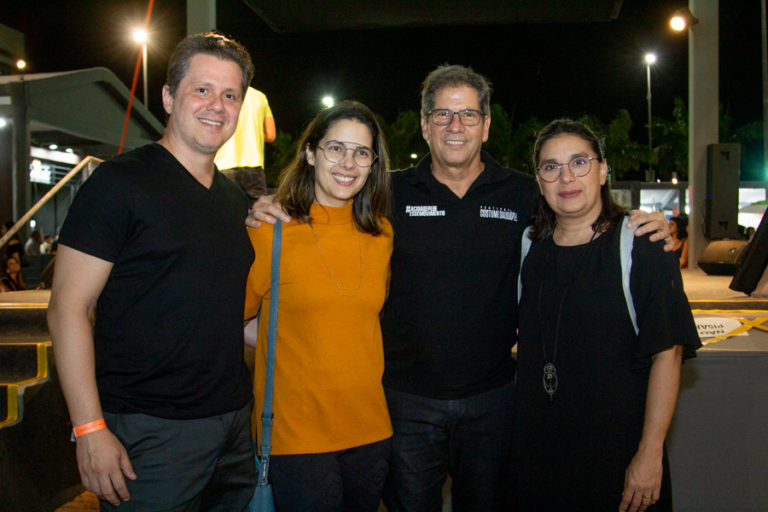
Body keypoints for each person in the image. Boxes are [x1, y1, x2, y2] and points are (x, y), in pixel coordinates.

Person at [247, 65, 672, 511]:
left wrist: (640, 220)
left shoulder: (523, 194)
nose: (455, 126)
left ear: (486, 125)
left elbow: (581, 214)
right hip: (404, 405)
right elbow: (323, 214)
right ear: (426, 124)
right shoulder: (386, 195)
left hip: (494, 403)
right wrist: (270, 204)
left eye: (468, 115)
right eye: (443, 115)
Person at [47, 32, 257, 510]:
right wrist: (89, 428)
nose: (216, 106)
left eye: (230, 95)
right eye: (201, 90)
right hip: (151, 435)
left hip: (233, 429)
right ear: (168, 97)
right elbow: (67, 310)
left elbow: (227, 316)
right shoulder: (120, 183)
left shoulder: (234, 201)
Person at [516, 119, 700, 512]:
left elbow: (668, 353)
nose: (566, 176)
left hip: (617, 458)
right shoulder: (530, 247)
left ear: (603, 170)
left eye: (579, 162)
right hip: (541, 457)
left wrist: (649, 455)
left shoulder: (641, 244)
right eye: (551, 167)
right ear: (539, 179)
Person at [243, 100, 393, 511]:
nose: (348, 162)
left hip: (371, 433)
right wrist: (289, 343)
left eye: (362, 152)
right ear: (310, 153)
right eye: (335, 148)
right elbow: (231, 323)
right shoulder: (270, 231)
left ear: (373, 164)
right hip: (298, 439)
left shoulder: (382, 235)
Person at [215, 86, 276, 202]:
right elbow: (271, 134)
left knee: (225, 212)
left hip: (224, 164)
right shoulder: (260, 97)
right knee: (259, 213)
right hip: (254, 164)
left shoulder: (220, 94)